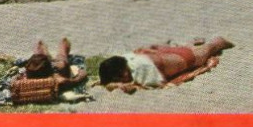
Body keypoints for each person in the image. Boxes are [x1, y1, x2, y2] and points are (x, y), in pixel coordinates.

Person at [98, 38, 233, 91]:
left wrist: (130, 85)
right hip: (166, 53)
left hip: (185, 58)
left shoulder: (142, 70)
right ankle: (192, 43)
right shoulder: (125, 58)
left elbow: (159, 83)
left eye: (121, 76)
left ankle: (219, 41)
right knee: (189, 48)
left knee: (212, 47)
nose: (122, 79)